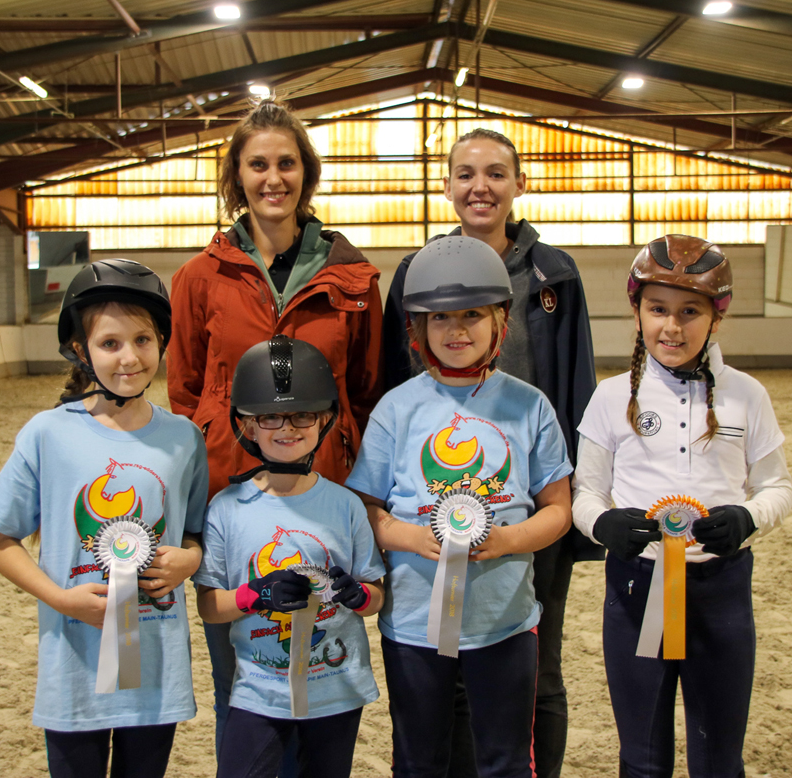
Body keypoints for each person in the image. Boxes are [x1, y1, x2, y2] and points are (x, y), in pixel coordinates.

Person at [167, 98, 384, 757]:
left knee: (319, 676)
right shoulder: (199, 277)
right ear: (237, 175)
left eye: (286, 163)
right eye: (257, 164)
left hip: (325, 499)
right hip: (230, 501)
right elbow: (184, 394)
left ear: (305, 172)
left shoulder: (354, 280)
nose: (273, 178)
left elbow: (366, 392)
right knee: (243, 687)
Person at [381, 127, 599, 777]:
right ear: (446, 186)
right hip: (437, 507)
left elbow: (576, 382)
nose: (481, 186)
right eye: (467, 173)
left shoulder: (553, 272)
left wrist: (567, 508)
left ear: (519, 184)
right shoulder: (414, 271)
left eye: (497, 173)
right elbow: (396, 380)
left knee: (537, 661)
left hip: (527, 508)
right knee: (442, 664)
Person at [347, 236, 574, 778]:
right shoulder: (396, 409)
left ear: (501, 320)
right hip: (414, 627)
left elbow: (558, 508)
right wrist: (410, 538)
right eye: (440, 318)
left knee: (506, 758)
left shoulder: (529, 405)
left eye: (472, 314)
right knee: (420, 759)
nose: (457, 330)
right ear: (417, 329)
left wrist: (508, 541)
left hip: (506, 623)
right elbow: (366, 508)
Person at [571, 234, 792, 778]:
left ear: (717, 316)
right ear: (638, 310)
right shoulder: (609, 396)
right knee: (643, 758)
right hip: (637, 590)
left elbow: (778, 488)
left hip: (721, 593)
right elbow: (586, 493)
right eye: (658, 310)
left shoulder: (747, 395)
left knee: (719, 757)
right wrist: (603, 525)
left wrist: (748, 516)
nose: (672, 327)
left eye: (689, 311)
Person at [0, 259, 208, 778]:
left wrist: (188, 560)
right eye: (110, 344)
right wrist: (60, 599)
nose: (129, 357)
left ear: (161, 343)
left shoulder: (184, 439)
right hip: (74, 667)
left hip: (154, 667)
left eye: (143, 340)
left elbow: (193, 530)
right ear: (81, 350)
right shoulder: (46, 433)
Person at [194, 335, 385, 778]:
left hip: (336, 688)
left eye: (302, 415)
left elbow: (377, 596)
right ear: (247, 424)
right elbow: (209, 606)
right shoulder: (226, 509)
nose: (287, 427)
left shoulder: (346, 505)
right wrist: (254, 597)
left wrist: (360, 597)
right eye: (270, 416)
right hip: (260, 692)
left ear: (324, 420)